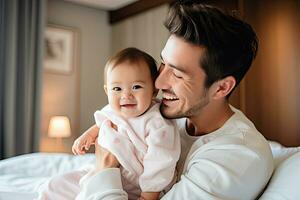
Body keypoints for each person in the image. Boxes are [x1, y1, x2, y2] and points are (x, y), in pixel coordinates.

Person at [76, 1, 274, 200]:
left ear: (221, 88)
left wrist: (105, 169)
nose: (159, 82)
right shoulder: (166, 114)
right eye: (163, 63)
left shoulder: (236, 157)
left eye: (178, 74)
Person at [38, 48, 180, 200]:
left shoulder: (157, 123)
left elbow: (161, 162)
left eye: (136, 87)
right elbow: (103, 122)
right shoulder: (115, 110)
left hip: (137, 186)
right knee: (54, 185)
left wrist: (148, 195)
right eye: (117, 89)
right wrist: (88, 135)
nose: (126, 95)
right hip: (105, 173)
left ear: (153, 91)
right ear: (107, 91)